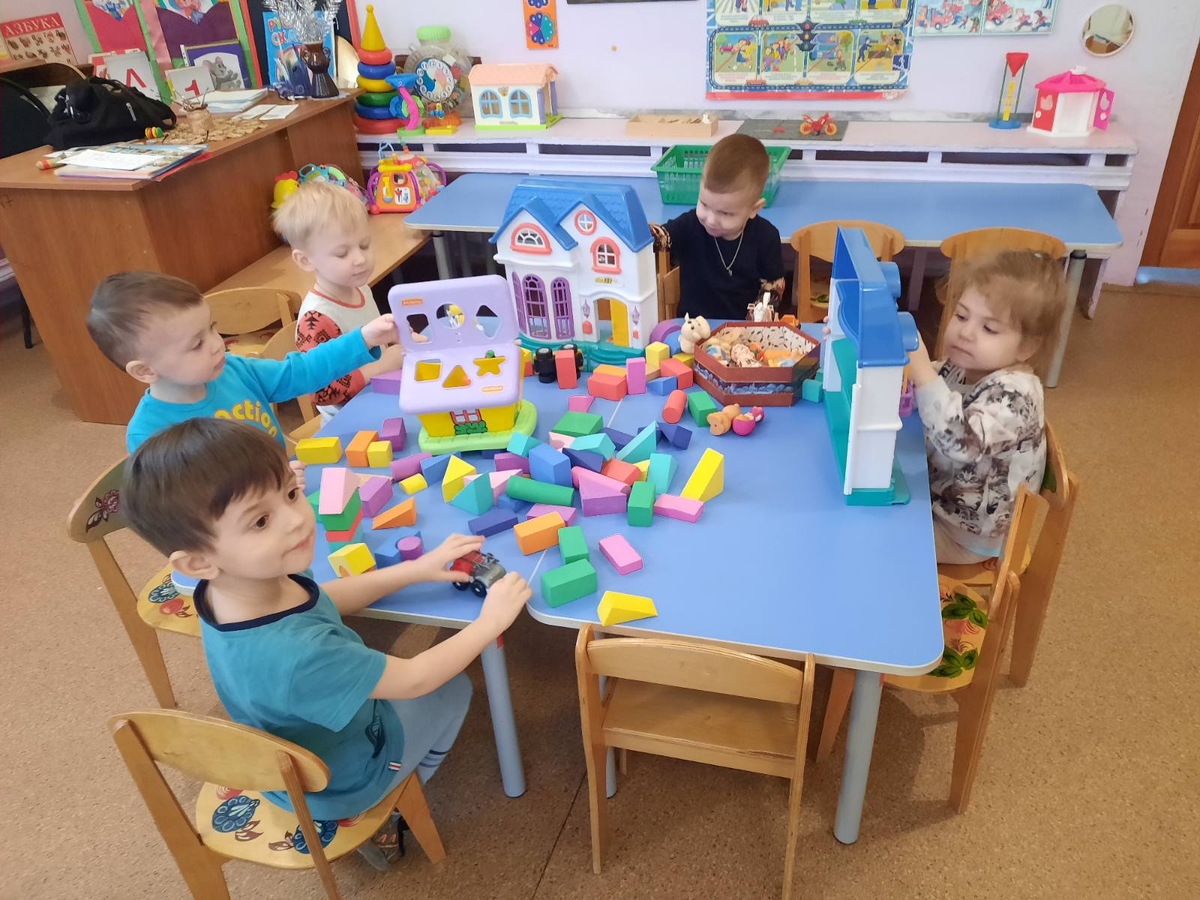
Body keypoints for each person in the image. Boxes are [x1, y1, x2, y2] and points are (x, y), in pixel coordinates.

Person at [122, 418, 532, 868]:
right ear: (198, 562)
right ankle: (390, 808)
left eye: (290, 493)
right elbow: (416, 679)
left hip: (293, 750)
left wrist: (415, 569)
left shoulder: (234, 587)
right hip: (342, 780)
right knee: (456, 688)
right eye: (261, 521)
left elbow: (320, 598)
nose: (297, 520)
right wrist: (490, 622)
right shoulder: (299, 654)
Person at [86, 271, 396, 454]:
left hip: (285, 491)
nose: (217, 344)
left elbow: (302, 371)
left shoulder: (235, 369)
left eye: (212, 328)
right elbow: (183, 511)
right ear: (145, 371)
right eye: (196, 344)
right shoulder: (149, 434)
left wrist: (364, 337)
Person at [906, 249, 1067, 564]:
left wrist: (922, 374)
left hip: (967, 535)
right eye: (961, 316)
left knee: (876, 540)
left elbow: (962, 443)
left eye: (989, 329)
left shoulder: (1014, 397)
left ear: (1027, 346)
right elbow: (933, 387)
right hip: (938, 499)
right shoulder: (966, 365)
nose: (965, 333)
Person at [272, 181, 404, 423]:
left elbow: (376, 345)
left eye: (364, 245)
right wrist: (383, 366)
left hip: (380, 398)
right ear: (305, 261)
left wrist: (400, 340)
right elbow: (322, 392)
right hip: (350, 422)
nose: (360, 259)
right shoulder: (316, 318)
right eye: (342, 253)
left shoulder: (360, 287)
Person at [650, 134, 785, 322]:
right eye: (704, 204)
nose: (711, 220)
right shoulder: (690, 225)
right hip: (691, 329)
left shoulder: (766, 237)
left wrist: (758, 318)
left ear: (754, 209)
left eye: (726, 213)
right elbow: (659, 238)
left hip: (741, 331)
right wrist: (640, 234)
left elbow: (772, 288)